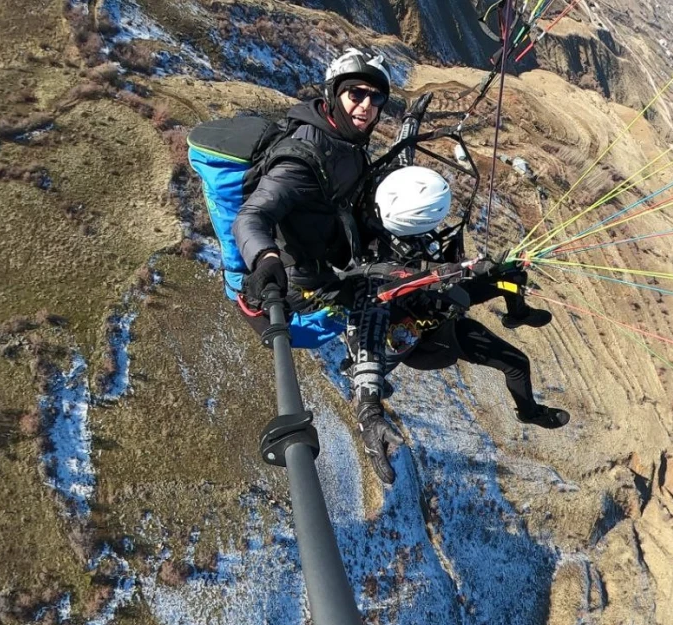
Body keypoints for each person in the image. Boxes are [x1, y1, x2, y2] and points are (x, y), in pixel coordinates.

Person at [231, 47, 404, 482]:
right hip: (299, 284)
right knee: (380, 293)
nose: (366, 106)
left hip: (329, 256)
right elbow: (251, 218)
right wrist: (265, 257)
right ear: (334, 94)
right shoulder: (302, 157)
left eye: (376, 98)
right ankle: (368, 411)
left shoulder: (345, 142)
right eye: (356, 94)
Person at [346, 165, 571, 484]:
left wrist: (478, 270)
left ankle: (517, 314)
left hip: (441, 295)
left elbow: (432, 272)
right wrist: (369, 403)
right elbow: (371, 343)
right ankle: (530, 412)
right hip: (432, 335)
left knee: (511, 274)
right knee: (517, 363)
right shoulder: (376, 287)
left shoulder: (395, 233)